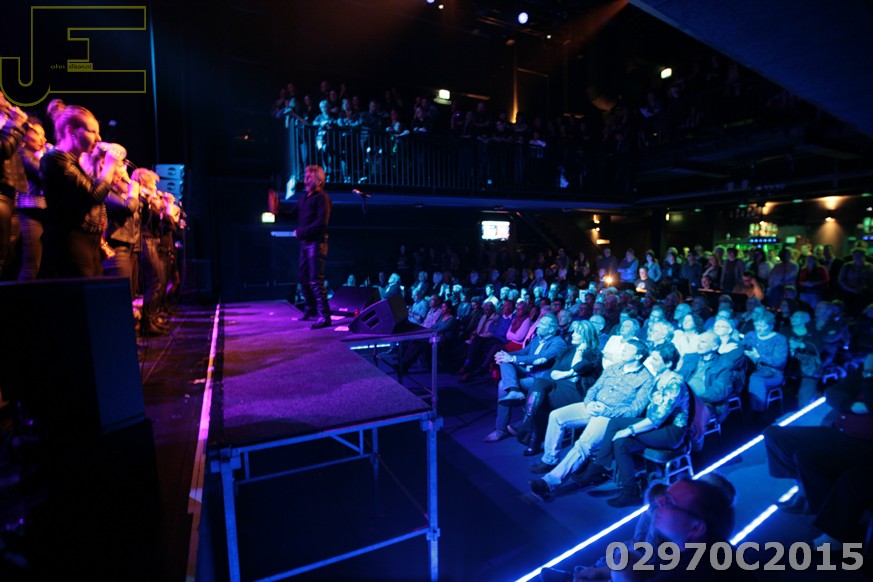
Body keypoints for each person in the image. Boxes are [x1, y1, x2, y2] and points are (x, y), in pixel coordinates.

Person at [528, 339, 653, 498]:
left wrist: (608, 411)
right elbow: (594, 389)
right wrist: (589, 403)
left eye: (628, 349)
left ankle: (549, 482)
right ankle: (550, 459)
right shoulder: (613, 368)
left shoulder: (646, 379)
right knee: (556, 416)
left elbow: (635, 409)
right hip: (593, 405)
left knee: (584, 444)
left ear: (638, 356)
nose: (623, 351)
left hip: (610, 416)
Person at [571, 343, 689, 507]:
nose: (651, 362)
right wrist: (625, 431)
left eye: (656, 359)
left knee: (618, 428)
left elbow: (656, 420)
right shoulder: (659, 376)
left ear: (668, 363)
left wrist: (629, 430)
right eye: (652, 358)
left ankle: (596, 468)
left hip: (670, 432)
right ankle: (630, 491)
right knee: (620, 441)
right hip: (657, 425)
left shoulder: (674, 384)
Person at [41, 99, 125, 278]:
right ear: (71, 130)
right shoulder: (56, 159)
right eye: (92, 132)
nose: (99, 139)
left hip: (89, 241)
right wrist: (110, 165)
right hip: (70, 241)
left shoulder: (75, 163)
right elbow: (94, 196)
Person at [484, 314, 567, 442]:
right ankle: (513, 391)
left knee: (502, 384)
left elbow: (540, 359)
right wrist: (504, 355)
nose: (538, 326)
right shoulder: (537, 339)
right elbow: (522, 352)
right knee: (505, 361)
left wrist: (512, 358)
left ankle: (501, 429)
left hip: (541, 379)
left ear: (551, 329)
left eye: (542, 324)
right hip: (529, 372)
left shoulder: (558, 343)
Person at [269, 164, 333, 329]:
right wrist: (277, 210)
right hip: (306, 244)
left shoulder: (322, 198)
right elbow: (291, 214)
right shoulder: (304, 199)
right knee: (303, 279)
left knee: (316, 280)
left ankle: (325, 316)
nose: (305, 179)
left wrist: (301, 232)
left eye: (309, 177)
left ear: (319, 180)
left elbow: (322, 224)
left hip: (317, 243)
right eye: (305, 176)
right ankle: (310, 310)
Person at [0, 92, 27, 280]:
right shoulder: (10, 125)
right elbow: (4, 150)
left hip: (13, 197)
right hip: (1, 196)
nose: (5, 100)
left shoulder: (5, 123)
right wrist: (15, 124)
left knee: (10, 258)